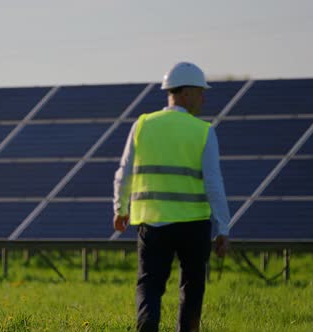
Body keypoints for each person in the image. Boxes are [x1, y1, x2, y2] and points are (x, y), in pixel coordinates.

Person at [113, 62, 230, 332]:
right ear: (186, 93)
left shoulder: (142, 126)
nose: (203, 98)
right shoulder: (203, 131)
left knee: (149, 285)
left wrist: (120, 209)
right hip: (194, 225)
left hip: (153, 225)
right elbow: (214, 183)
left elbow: (124, 173)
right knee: (192, 288)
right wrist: (223, 227)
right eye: (200, 92)